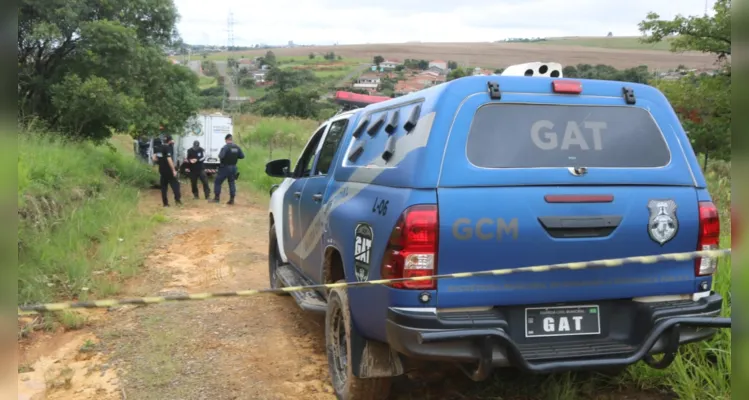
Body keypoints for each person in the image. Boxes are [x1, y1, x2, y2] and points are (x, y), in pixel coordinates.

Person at [213, 133, 245, 205]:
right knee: (231, 183)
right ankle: (232, 199)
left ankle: (217, 198)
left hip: (225, 167)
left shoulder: (225, 147)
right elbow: (242, 156)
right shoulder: (237, 147)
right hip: (233, 167)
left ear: (226, 140)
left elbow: (221, 156)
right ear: (231, 139)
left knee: (217, 182)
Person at [152, 135, 182, 207]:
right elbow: (169, 159)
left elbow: (154, 158)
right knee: (175, 185)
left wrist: (160, 161)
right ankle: (177, 200)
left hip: (162, 170)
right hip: (169, 170)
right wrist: (173, 170)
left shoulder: (158, 148)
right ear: (169, 141)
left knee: (164, 188)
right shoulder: (167, 148)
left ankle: (165, 204)